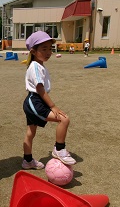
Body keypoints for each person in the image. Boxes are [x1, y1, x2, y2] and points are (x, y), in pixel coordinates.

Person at [22, 31, 76, 170]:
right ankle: (59, 149)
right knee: (64, 119)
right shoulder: (35, 66)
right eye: (44, 49)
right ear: (33, 51)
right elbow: (40, 88)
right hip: (35, 101)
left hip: (34, 101)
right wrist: (53, 106)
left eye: (50, 49)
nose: (48, 52)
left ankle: (27, 161)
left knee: (31, 132)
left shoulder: (39, 65)